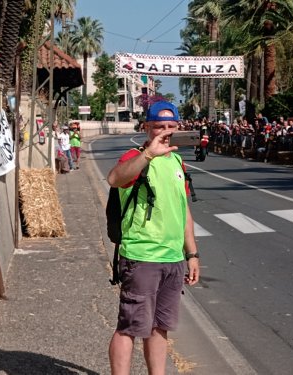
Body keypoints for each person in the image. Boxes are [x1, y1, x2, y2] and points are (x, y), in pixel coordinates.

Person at [107, 101, 200, 375]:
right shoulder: (135, 157)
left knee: (160, 327)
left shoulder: (177, 161)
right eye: (159, 126)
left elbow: (183, 211)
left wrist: (192, 254)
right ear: (147, 127)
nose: (166, 131)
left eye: (171, 126)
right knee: (129, 328)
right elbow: (114, 179)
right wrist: (148, 155)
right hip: (142, 257)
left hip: (173, 259)